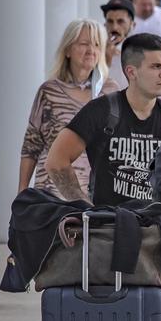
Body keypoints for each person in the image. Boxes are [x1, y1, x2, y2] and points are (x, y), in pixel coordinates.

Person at [44, 34, 161, 205]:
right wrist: (84, 208)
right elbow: (56, 161)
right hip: (109, 226)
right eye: (156, 66)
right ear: (131, 72)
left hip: (158, 226)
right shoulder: (101, 111)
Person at [19, 20, 120, 198]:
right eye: (84, 43)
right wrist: (22, 192)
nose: (91, 50)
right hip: (50, 194)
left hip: (93, 197)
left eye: (97, 44)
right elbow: (31, 145)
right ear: (67, 50)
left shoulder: (111, 92)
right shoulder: (49, 91)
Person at [102, 0, 136, 90]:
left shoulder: (141, 53)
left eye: (120, 21)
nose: (114, 27)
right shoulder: (95, 53)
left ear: (132, 25)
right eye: (110, 21)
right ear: (104, 25)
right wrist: (105, 59)